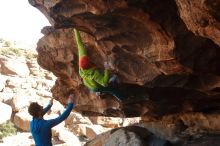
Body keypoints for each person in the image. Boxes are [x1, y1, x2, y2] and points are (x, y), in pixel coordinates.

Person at [73, 29, 125, 101]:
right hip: (95, 87)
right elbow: (104, 83)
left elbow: (79, 44)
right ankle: (122, 98)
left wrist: (76, 29)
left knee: (97, 83)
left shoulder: (81, 67)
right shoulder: (94, 74)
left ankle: (98, 91)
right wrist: (106, 69)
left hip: (88, 84)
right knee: (111, 89)